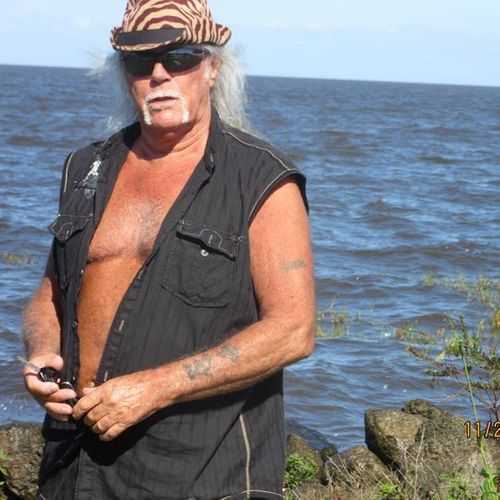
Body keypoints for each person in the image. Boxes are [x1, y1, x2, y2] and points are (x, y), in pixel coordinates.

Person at [22, 1, 316, 498]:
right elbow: (51, 291)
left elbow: (293, 331)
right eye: (141, 62)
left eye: (180, 58)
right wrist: (41, 354)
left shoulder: (260, 179)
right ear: (125, 75)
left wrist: (155, 388)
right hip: (75, 467)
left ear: (212, 68)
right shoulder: (85, 168)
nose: (159, 75)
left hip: (203, 474)